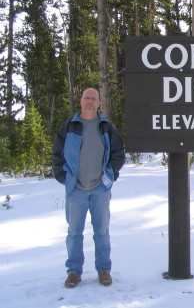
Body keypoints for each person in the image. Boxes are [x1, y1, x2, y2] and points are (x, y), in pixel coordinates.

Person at [52, 88, 125, 288]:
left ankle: (103, 270)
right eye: (87, 98)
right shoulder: (69, 126)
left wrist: (109, 176)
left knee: (101, 231)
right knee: (74, 232)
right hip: (75, 189)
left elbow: (118, 154)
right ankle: (74, 272)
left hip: (100, 189)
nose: (90, 102)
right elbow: (57, 154)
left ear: (99, 103)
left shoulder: (106, 127)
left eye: (94, 99)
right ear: (81, 101)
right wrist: (64, 177)